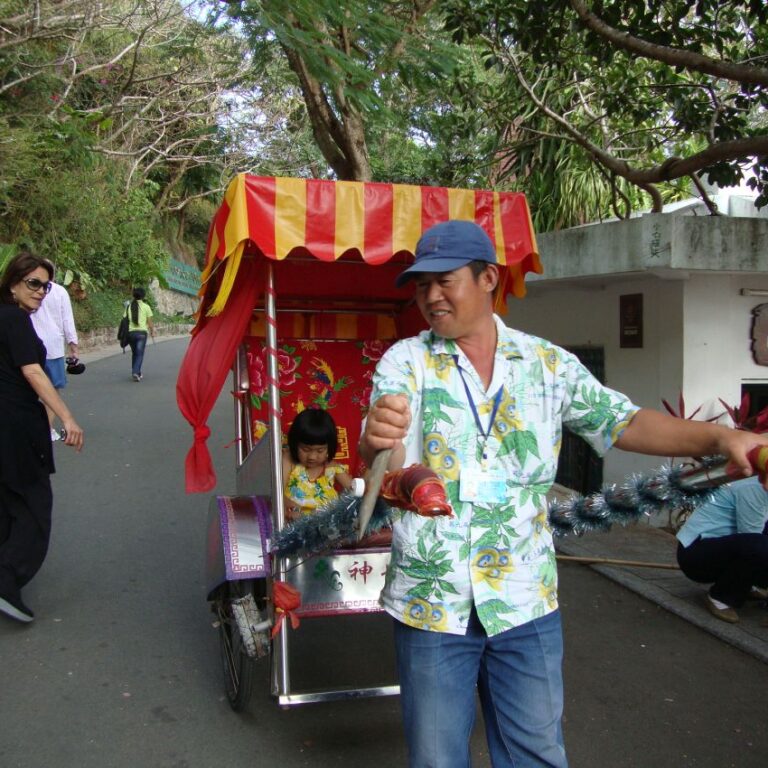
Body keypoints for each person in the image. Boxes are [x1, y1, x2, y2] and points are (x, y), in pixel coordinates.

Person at [358, 220, 768, 768]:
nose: (430, 295)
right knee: (436, 759)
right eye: (420, 284)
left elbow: (623, 423)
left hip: (525, 597)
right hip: (434, 602)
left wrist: (721, 436)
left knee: (537, 756)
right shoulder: (405, 362)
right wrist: (375, 442)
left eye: (445, 280)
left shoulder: (548, 365)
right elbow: (394, 458)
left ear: (488, 279)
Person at [0, 252, 84, 623]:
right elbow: (33, 372)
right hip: (16, 427)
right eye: (33, 283)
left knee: (7, 506)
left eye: (46, 286)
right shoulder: (14, 319)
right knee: (35, 509)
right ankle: (5, 582)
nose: (41, 291)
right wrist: (67, 417)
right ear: (13, 282)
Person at [677, 475, 768, 623]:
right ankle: (720, 597)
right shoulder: (754, 487)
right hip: (696, 554)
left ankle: (744, 584)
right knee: (760, 546)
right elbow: (753, 539)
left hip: (724, 546)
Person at [30, 259, 79, 441]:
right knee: (51, 390)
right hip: (53, 347)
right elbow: (67, 319)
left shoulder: (28, 290)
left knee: (31, 389)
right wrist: (73, 345)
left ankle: (33, 428)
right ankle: (47, 429)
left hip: (31, 345)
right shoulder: (59, 292)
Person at [282, 408, 353, 520]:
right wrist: (291, 507)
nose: (312, 457)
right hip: (294, 525)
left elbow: (356, 491)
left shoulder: (333, 467)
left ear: (330, 447)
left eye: (320, 451)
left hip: (327, 525)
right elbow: (275, 493)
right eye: (305, 449)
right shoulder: (289, 460)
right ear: (295, 444)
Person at [125, 287, 154, 382]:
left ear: (133, 295)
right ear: (143, 296)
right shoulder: (146, 307)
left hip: (130, 333)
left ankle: (137, 372)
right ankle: (135, 372)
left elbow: (124, 319)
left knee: (135, 353)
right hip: (141, 334)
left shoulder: (129, 307)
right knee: (139, 353)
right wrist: (152, 332)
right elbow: (150, 322)